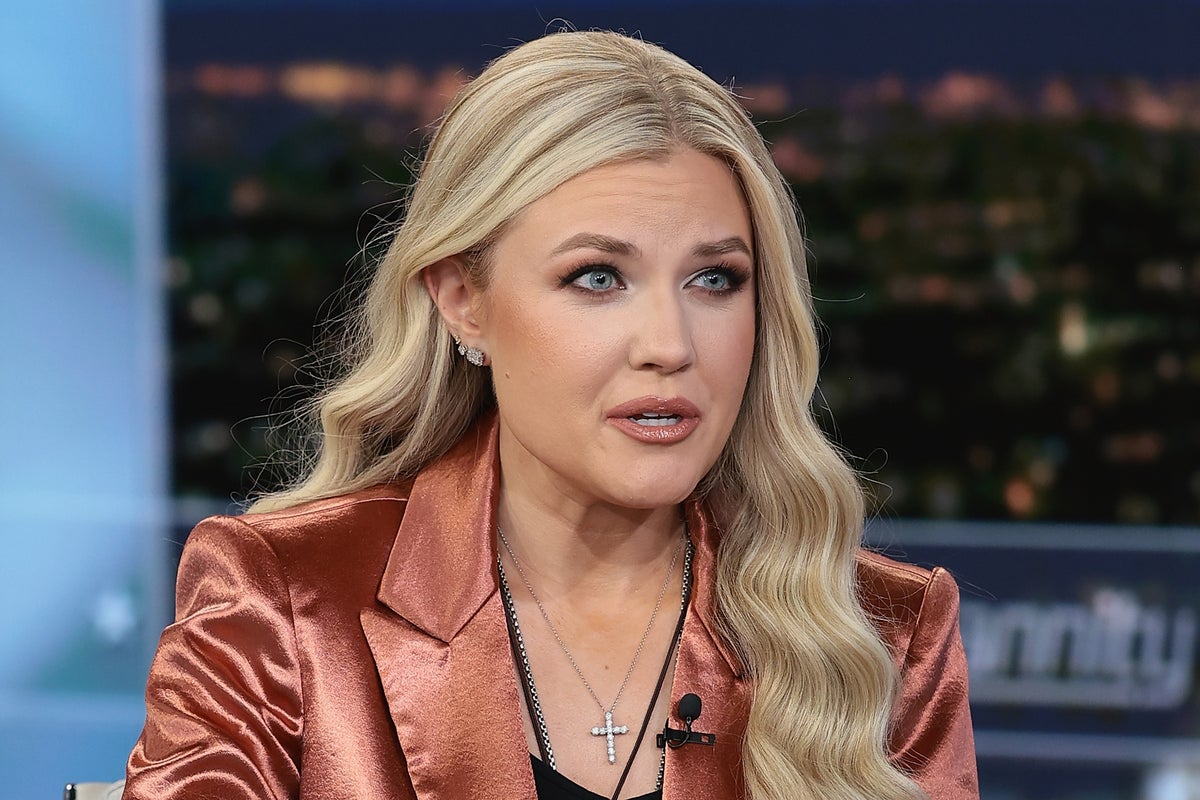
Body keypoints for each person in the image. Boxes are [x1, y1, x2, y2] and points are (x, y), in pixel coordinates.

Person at [124, 30, 977, 800]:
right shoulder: (286, 601)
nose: (670, 345)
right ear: (462, 301)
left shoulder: (882, 633)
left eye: (715, 279)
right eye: (598, 278)